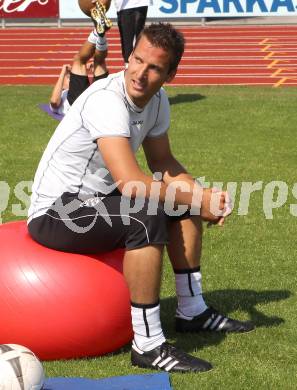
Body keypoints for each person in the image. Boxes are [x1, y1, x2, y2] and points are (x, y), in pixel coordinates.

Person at [28, 23, 254, 373]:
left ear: (170, 75)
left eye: (154, 68)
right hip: (56, 211)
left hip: (98, 200)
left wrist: (203, 195)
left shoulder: (158, 100)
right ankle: (147, 345)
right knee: (145, 211)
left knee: (181, 197)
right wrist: (198, 200)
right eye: (136, 60)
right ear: (129, 57)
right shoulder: (107, 100)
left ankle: (192, 311)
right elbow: (132, 183)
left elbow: (163, 162)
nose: (140, 73)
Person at [49, 28, 109, 116]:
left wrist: (91, 71)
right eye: (69, 77)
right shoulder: (62, 95)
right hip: (80, 105)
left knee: (98, 62)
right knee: (79, 61)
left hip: (94, 105)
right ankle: (97, 32)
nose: (70, 79)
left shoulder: (68, 93)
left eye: (70, 77)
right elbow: (54, 101)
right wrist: (63, 73)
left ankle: (101, 35)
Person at [114, 0, 152, 67]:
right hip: (124, 6)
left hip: (133, 5)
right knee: (129, 40)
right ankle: (131, 65)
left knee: (130, 41)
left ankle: (130, 66)